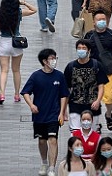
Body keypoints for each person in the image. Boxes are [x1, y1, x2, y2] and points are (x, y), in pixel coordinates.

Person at [21, 48, 69, 176]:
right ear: (44, 61)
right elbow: (25, 92)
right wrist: (31, 105)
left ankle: (52, 167)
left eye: (55, 58)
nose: (54, 61)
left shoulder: (59, 76)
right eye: (51, 59)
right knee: (42, 140)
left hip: (54, 114)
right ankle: (44, 162)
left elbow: (64, 95)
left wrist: (62, 112)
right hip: (39, 115)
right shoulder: (36, 76)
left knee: (53, 139)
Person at [0, 0, 37, 105]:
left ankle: (2, 94)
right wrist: (24, 2)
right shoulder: (19, 12)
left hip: (4, 43)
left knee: (4, 70)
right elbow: (34, 10)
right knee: (16, 70)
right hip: (17, 43)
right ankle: (17, 95)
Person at [82, 10, 112, 131]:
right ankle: (96, 123)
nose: (101, 22)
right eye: (99, 20)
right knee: (94, 100)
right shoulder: (89, 36)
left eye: (103, 19)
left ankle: (109, 114)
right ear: (93, 22)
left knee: (110, 97)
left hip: (109, 72)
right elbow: (84, 52)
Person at [64, 39, 109, 132]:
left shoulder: (97, 65)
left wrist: (98, 101)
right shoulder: (70, 66)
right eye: (79, 48)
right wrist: (63, 109)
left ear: (89, 51)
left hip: (93, 106)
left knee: (92, 134)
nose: (81, 50)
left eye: (84, 48)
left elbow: (101, 86)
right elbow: (66, 89)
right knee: (75, 133)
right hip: (75, 105)